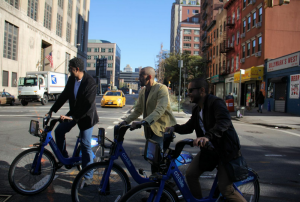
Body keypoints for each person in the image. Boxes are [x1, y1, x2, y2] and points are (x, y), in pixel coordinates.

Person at [165, 77, 246, 201]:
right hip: (210, 151)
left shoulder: (216, 103)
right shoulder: (197, 109)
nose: (188, 93)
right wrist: (173, 128)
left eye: (191, 90)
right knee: (191, 174)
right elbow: (189, 127)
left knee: (226, 189)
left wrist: (207, 137)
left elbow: (224, 122)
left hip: (226, 152)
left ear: (202, 91)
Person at [46, 57, 99, 181]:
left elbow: (87, 105)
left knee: (85, 144)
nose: (69, 71)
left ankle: (88, 176)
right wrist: (52, 110)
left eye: (70, 69)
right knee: (59, 131)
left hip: (86, 117)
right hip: (73, 114)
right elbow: (64, 95)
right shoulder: (71, 79)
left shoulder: (90, 82)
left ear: (77, 69)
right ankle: (64, 159)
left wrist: (71, 117)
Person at [119, 66, 177, 173]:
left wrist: (143, 122)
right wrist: (125, 121)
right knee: (152, 159)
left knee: (157, 159)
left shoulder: (161, 89)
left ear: (149, 77)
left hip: (163, 129)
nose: (139, 78)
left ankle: (164, 184)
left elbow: (160, 109)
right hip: (150, 130)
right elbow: (138, 110)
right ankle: (156, 184)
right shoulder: (143, 91)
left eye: (141, 75)